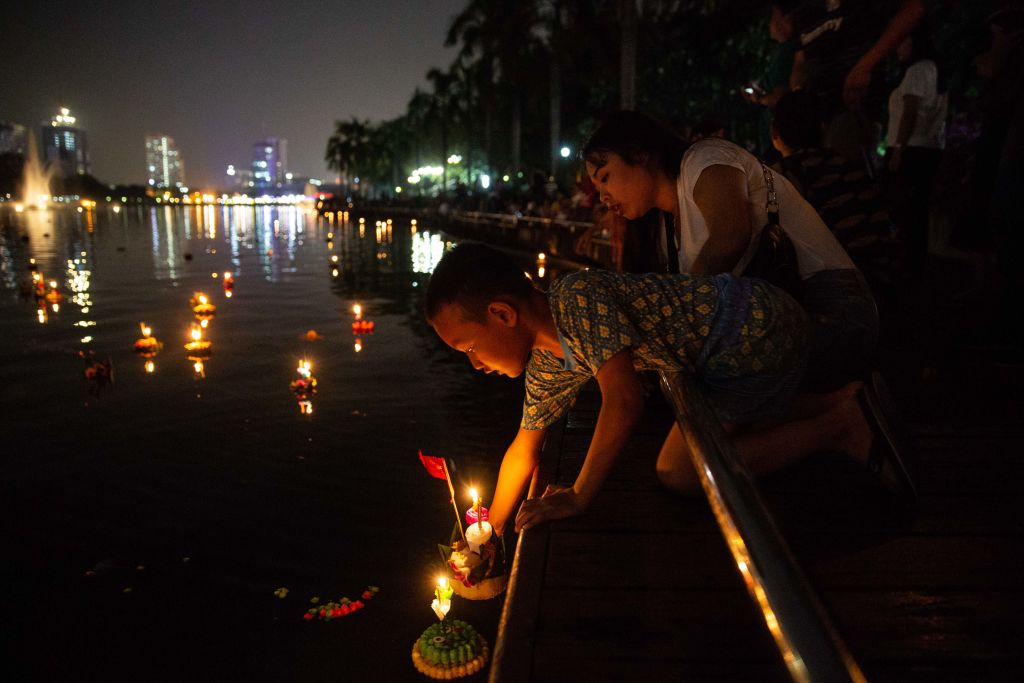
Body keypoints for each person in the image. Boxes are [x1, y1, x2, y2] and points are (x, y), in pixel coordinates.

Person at [425, 244, 913, 534]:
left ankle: (839, 427)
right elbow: (523, 448)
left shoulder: (575, 298)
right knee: (732, 421)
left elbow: (624, 399)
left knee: (679, 470)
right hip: (733, 345)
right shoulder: (547, 368)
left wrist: (578, 496)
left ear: (502, 315)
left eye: (468, 347)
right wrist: (486, 536)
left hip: (749, 328)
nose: (473, 363)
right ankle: (842, 399)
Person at [582, 110, 876, 393]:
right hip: (777, 328)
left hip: (829, 312)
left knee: (703, 406)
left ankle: (841, 419)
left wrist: (671, 316)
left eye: (605, 177)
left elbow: (730, 236)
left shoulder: (705, 159)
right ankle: (841, 420)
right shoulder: (664, 232)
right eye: (597, 187)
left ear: (640, 155)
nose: (603, 197)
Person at [770, 89, 898, 296]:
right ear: (823, 129)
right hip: (887, 275)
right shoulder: (848, 165)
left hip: (848, 288)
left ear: (774, 132)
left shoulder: (785, 174)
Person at [789, 0, 925, 172]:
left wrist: (865, 66)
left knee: (845, 182)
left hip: (851, 109)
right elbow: (800, 59)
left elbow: (913, 9)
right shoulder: (803, 10)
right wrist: (797, 93)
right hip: (814, 118)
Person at [885, 21, 948, 274]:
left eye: (903, 40)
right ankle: (914, 263)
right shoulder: (935, 70)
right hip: (928, 147)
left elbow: (910, 112)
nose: (898, 47)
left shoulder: (918, 70)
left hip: (911, 148)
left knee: (904, 207)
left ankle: (906, 263)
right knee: (917, 208)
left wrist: (899, 148)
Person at [743, 1, 799, 160]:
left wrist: (759, 98)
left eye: (773, 18)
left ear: (787, 19)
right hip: (776, 137)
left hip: (781, 139)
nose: (769, 24)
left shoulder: (787, 50)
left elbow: (780, 97)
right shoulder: (780, 51)